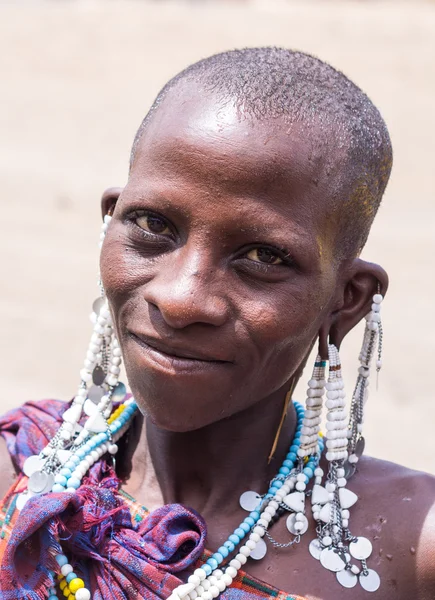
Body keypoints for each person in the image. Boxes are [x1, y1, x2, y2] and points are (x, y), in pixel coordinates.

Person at [0, 47, 433, 600]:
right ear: (111, 221)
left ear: (344, 302)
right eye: (153, 224)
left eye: (264, 257)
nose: (180, 300)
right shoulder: (20, 465)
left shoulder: (414, 548)